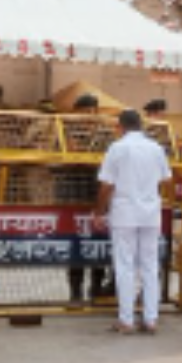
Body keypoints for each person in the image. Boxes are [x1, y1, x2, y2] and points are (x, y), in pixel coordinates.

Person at [95, 109, 171, 334]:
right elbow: (167, 180)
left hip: (125, 212)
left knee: (125, 266)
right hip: (150, 213)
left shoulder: (118, 148)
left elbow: (107, 184)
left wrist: (98, 211)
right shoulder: (156, 148)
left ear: (121, 126)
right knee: (149, 265)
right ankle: (150, 319)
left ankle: (126, 320)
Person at [68, 93, 110, 301]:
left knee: (98, 242)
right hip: (72, 192)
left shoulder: (104, 135)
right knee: (75, 242)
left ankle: (96, 287)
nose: (89, 116)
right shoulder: (65, 130)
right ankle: (75, 290)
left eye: (92, 111)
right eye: (85, 111)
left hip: (98, 194)